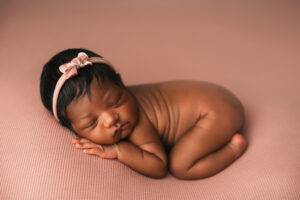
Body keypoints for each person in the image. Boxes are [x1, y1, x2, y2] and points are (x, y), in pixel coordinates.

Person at [40, 48, 247, 180]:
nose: (111, 118)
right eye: (92, 122)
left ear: (122, 85)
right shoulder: (115, 103)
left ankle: (233, 149)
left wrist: (118, 150)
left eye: (116, 102)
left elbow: (158, 166)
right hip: (214, 96)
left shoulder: (135, 121)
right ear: (72, 128)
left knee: (181, 165)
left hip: (216, 112)